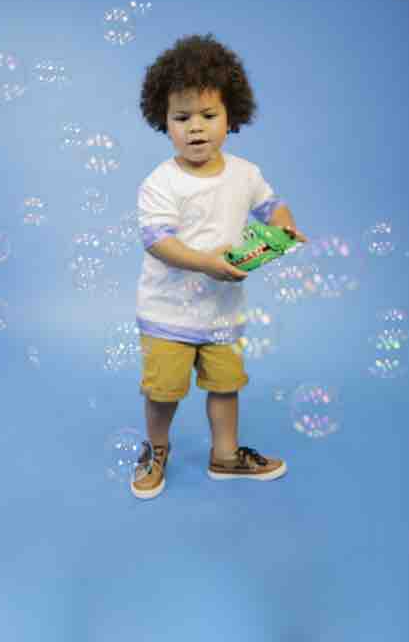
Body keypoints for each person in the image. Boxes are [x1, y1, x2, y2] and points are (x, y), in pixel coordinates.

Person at [131, 33, 309, 499]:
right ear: (163, 120)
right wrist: (204, 263)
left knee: (226, 386)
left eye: (208, 115)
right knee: (163, 391)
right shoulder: (161, 182)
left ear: (232, 115)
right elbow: (157, 241)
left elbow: (272, 206)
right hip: (168, 312)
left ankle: (225, 455)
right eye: (182, 117)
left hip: (222, 312)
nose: (196, 128)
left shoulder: (245, 174)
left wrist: (284, 226)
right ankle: (155, 450)